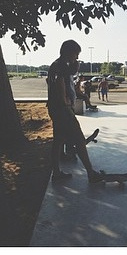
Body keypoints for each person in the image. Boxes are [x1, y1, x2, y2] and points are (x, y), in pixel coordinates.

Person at [46, 39, 106, 183]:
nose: (77, 58)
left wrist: (78, 95)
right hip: (63, 111)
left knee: (58, 140)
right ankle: (91, 174)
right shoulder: (59, 66)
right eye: (76, 54)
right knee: (79, 140)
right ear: (69, 52)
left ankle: (56, 173)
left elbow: (63, 85)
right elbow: (59, 84)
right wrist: (65, 103)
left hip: (58, 109)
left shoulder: (59, 66)